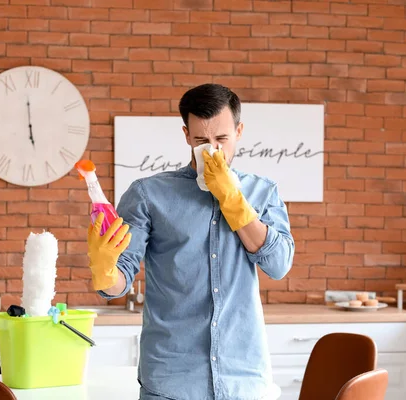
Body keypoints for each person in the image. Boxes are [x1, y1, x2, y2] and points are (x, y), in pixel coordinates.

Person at [86, 83, 295, 400]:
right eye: (201, 140)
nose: (212, 150)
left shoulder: (263, 191)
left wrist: (233, 201)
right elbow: (119, 280)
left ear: (238, 131)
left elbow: (279, 265)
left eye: (221, 139)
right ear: (186, 135)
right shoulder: (147, 194)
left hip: (244, 380)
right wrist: (105, 270)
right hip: (171, 382)